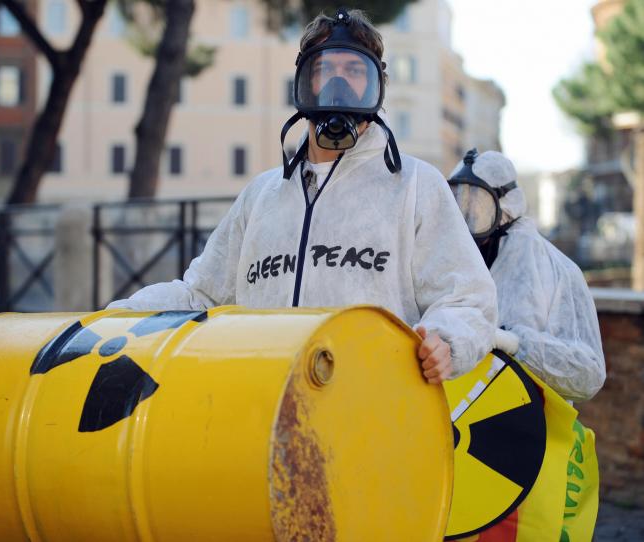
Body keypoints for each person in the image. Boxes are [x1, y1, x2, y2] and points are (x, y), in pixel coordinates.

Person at [109, 9, 498, 384]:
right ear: (304, 81)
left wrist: (447, 340)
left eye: (354, 71)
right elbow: (201, 295)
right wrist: (114, 319)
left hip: (373, 412)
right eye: (326, 69)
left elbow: (467, 297)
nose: (339, 83)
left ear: (377, 87)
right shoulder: (262, 195)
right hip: (262, 408)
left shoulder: (415, 185)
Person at [447, 149, 606, 401]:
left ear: (505, 204)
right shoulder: (451, 265)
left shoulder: (557, 271)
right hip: (459, 422)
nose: (467, 216)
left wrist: (517, 343)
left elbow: (589, 375)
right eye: (458, 202)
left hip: (530, 426)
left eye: (477, 204)